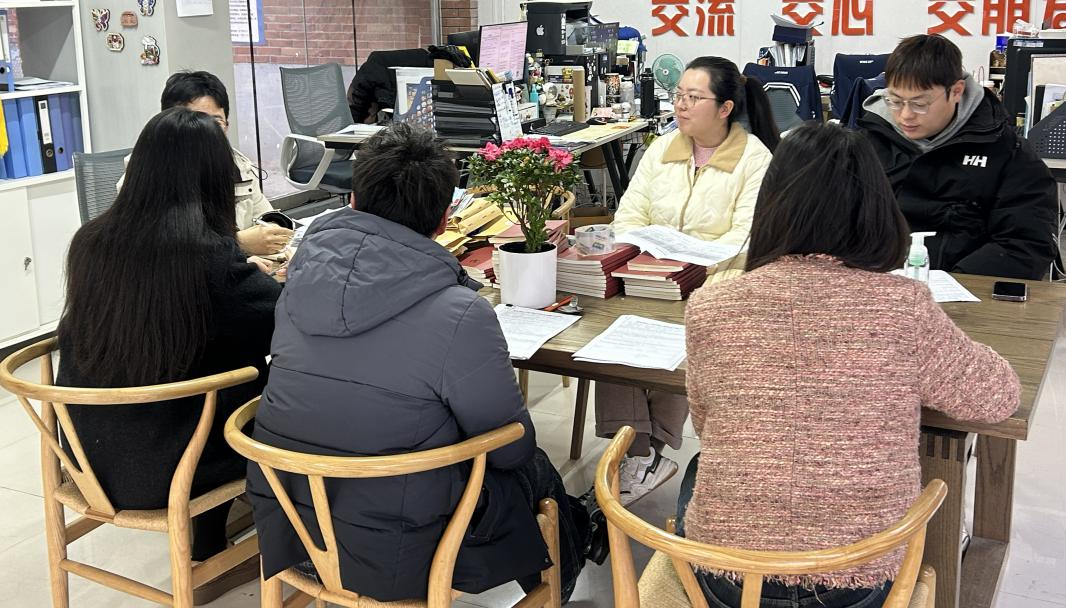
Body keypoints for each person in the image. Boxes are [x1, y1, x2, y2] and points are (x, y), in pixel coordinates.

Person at [248, 124, 603, 604]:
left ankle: (579, 534)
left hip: (290, 523)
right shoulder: (460, 312)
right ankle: (566, 571)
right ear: (444, 220)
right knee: (533, 465)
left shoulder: (296, 280)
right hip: (399, 549)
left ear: (352, 200)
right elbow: (510, 450)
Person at [678, 122, 1020, 608]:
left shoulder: (711, 305)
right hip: (860, 579)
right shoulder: (901, 305)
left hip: (726, 578)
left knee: (700, 470)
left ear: (769, 204)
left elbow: (706, 423)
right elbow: (997, 397)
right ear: (876, 208)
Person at [57, 107, 282, 602]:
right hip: (171, 468)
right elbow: (282, 325)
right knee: (267, 383)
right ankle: (299, 542)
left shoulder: (90, 242)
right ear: (215, 181)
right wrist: (260, 277)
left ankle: (208, 543)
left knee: (198, 362)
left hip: (85, 456)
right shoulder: (208, 257)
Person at [601, 56, 779, 505]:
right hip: (651, 272)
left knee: (690, 332)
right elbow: (629, 216)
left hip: (714, 281)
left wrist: (691, 260)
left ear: (725, 108)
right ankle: (639, 451)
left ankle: (646, 451)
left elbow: (746, 236)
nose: (680, 105)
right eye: (678, 95)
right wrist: (652, 250)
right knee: (607, 336)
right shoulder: (662, 148)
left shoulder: (755, 159)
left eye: (693, 97)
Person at [858, 34, 1056, 280]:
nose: (905, 115)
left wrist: (953, 284)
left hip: (963, 289)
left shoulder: (1008, 154)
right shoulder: (866, 143)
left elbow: (1025, 243)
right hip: (874, 284)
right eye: (895, 101)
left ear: (956, 91)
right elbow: (835, 223)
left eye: (920, 104)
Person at [121, 70, 293, 256]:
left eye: (216, 123)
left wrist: (272, 230)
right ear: (170, 125)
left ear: (227, 125)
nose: (207, 132)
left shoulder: (238, 166)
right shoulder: (145, 175)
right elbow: (154, 252)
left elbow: (264, 215)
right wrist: (238, 243)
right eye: (194, 122)